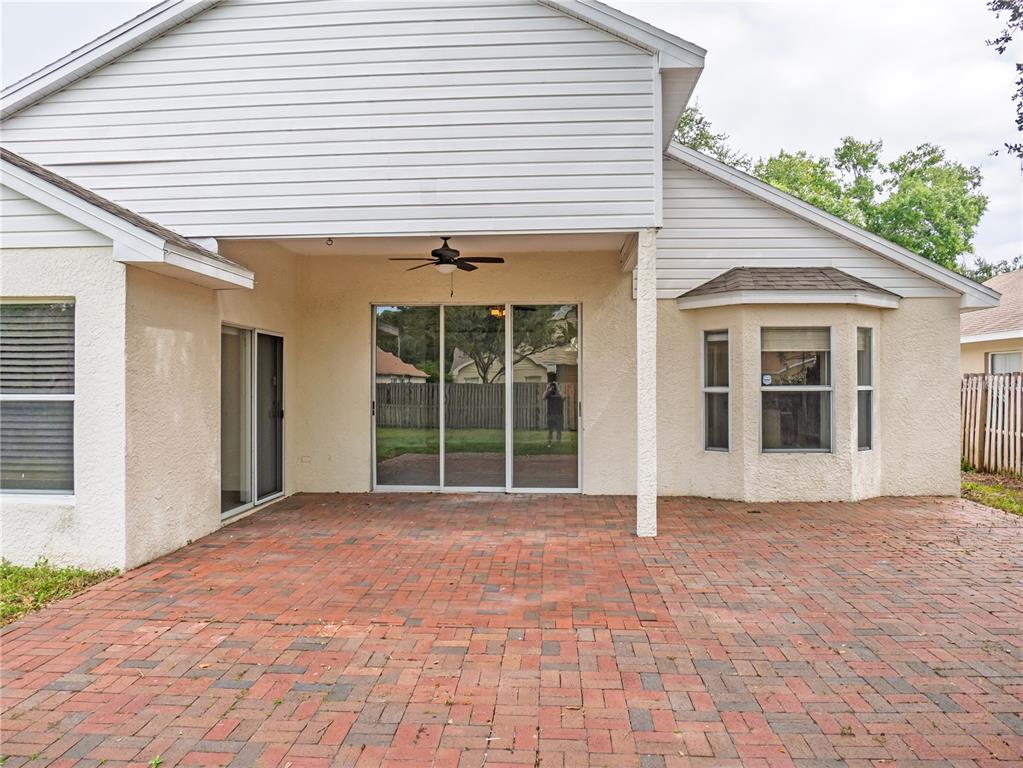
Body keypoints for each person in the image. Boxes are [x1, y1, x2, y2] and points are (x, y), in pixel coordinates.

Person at [542, 377, 564, 448]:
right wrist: (547, 388)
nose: (554, 387)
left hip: (559, 415)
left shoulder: (560, 392)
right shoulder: (549, 393)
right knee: (550, 430)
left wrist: (557, 387)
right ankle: (549, 444)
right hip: (550, 414)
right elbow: (543, 397)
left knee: (559, 431)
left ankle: (558, 445)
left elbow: (563, 397)